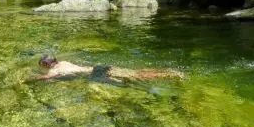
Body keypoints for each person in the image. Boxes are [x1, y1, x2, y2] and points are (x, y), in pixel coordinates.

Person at [37, 54, 184, 82]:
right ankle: (168, 72)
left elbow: (45, 78)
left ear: (45, 64)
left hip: (97, 72)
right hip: (97, 67)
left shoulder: (54, 70)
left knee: (137, 76)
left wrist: (25, 80)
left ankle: (171, 74)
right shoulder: (64, 62)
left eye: (42, 65)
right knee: (135, 73)